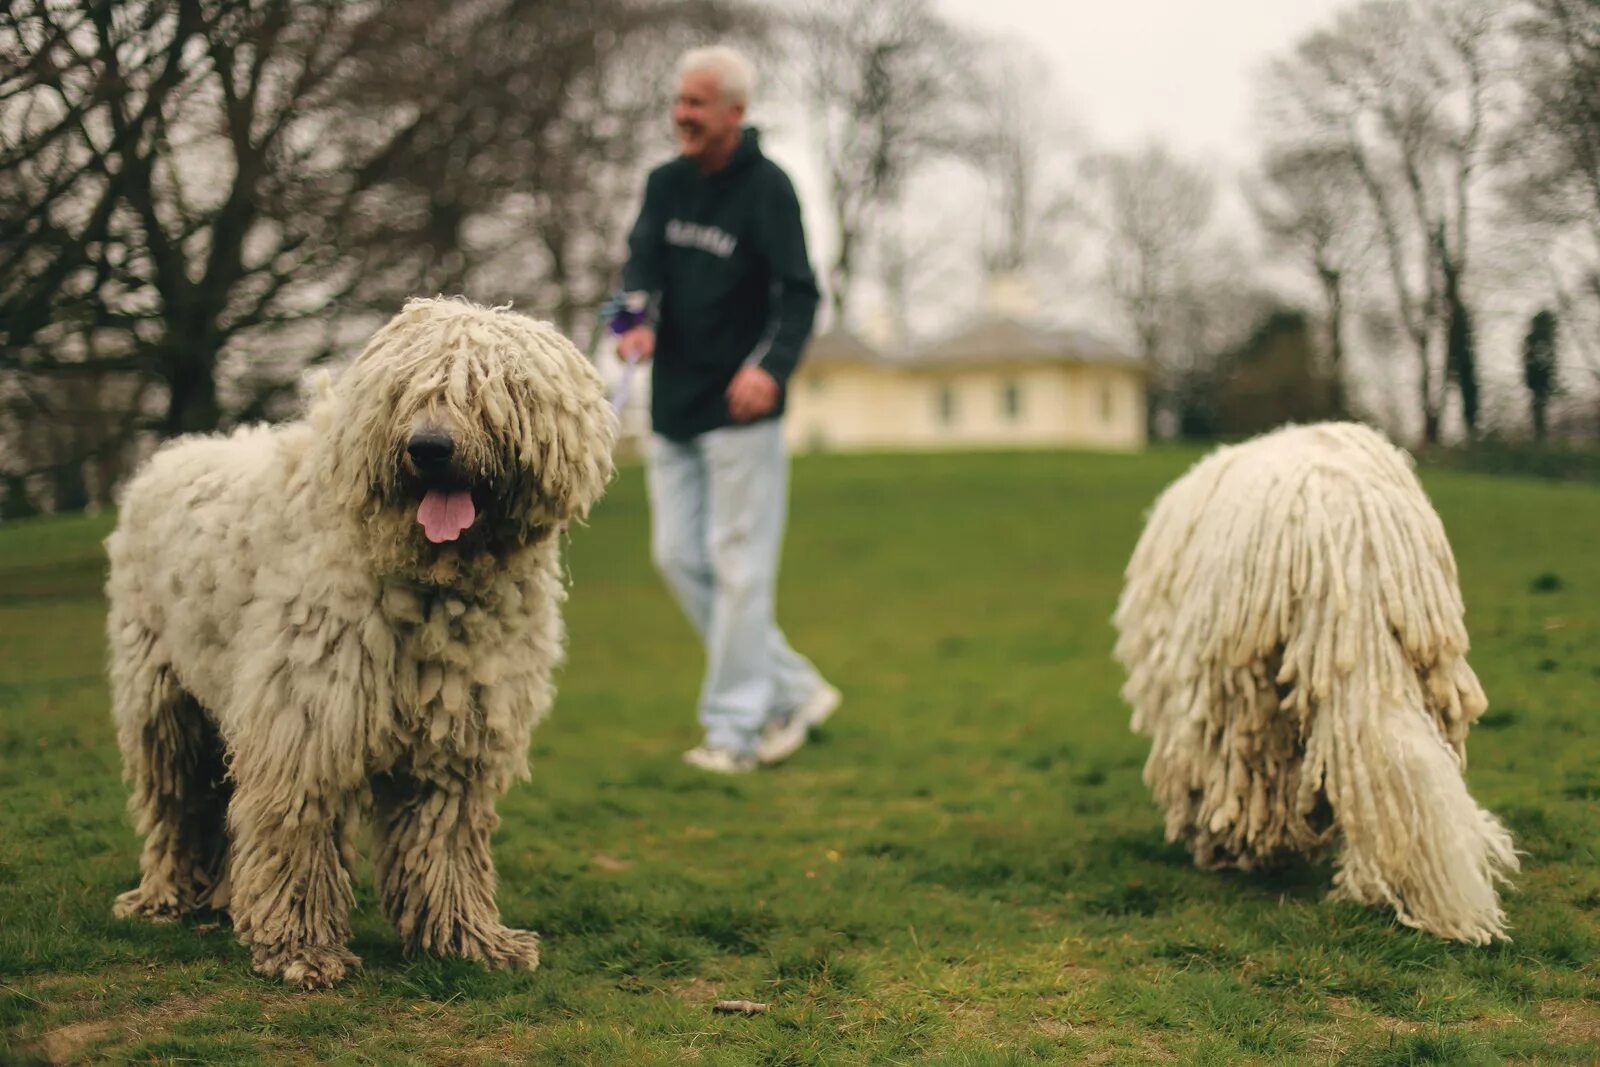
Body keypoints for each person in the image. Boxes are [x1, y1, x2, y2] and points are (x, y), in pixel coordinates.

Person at [617, 45, 839, 774]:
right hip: (673, 407)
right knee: (678, 558)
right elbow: (639, 269)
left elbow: (799, 294)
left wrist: (769, 370)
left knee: (740, 568)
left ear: (735, 112)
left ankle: (738, 729)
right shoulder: (664, 183)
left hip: (742, 414)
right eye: (679, 101)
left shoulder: (769, 189)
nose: (681, 114)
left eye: (697, 103)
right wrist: (633, 323)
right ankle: (795, 687)